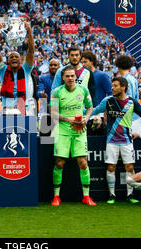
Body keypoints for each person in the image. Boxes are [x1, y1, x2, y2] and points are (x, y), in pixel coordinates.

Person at [92, 77, 141, 204]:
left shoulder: (132, 102)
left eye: (115, 85)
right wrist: (82, 113)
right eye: (112, 85)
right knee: (111, 167)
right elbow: (95, 110)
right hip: (111, 141)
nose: (112, 88)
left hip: (127, 140)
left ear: (123, 87)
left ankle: (130, 195)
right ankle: (112, 195)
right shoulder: (108, 101)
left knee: (129, 167)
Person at [49, 65, 95, 207]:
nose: (70, 78)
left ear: (76, 77)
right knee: (59, 163)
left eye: (72, 76)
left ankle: (86, 196)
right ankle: (56, 196)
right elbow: (53, 112)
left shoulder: (83, 90)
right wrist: (68, 119)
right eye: (67, 76)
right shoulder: (57, 92)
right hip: (62, 131)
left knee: (83, 163)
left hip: (79, 131)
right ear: (63, 78)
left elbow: (90, 107)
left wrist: (86, 119)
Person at [0, 19, 35, 115]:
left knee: (24, 130)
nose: (14, 58)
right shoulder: (3, 69)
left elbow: (31, 51)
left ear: (20, 60)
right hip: (7, 109)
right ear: (7, 61)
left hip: (24, 108)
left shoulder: (26, 69)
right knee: (7, 130)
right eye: (11, 57)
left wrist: (29, 31)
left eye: (16, 57)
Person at [81, 50, 112, 135]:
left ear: (92, 61)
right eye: (81, 62)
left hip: (99, 116)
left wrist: (105, 112)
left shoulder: (102, 76)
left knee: (98, 144)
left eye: (85, 62)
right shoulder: (81, 77)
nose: (83, 64)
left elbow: (111, 94)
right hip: (85, 115)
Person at [115, 55, 141, 134]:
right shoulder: (132, 78)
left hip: (130, 119)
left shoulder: (126, 80)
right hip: (134, 117)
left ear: (118, 66)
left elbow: (129, 100)